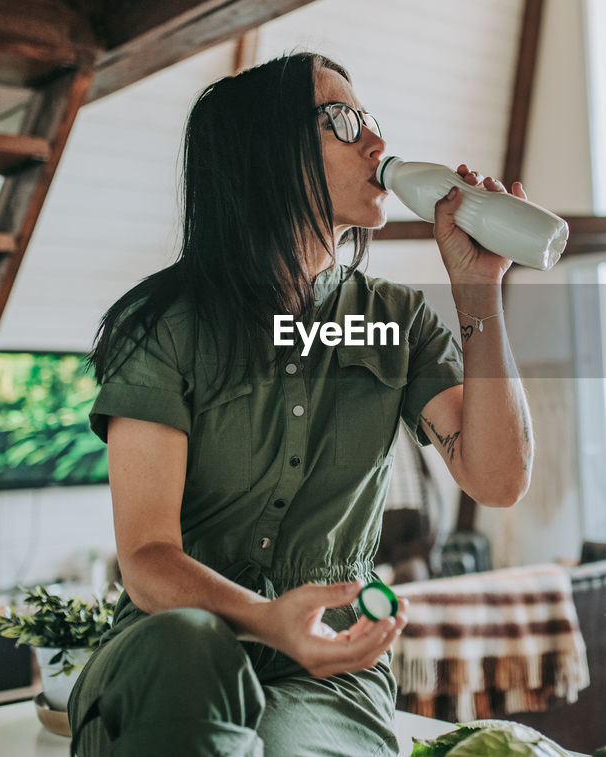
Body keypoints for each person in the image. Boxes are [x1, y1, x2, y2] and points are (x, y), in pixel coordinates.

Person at [67, 51, 534, 756]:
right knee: (191, 648)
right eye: (343, 121)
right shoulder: (165, 326)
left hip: (330, 676)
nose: (378, 143)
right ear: (266, 150)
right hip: (170, 658)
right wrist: (262, 616)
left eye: (371, 119)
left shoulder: (398, 322)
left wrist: (479, 292)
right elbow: (146, 556)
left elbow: (498, 479)